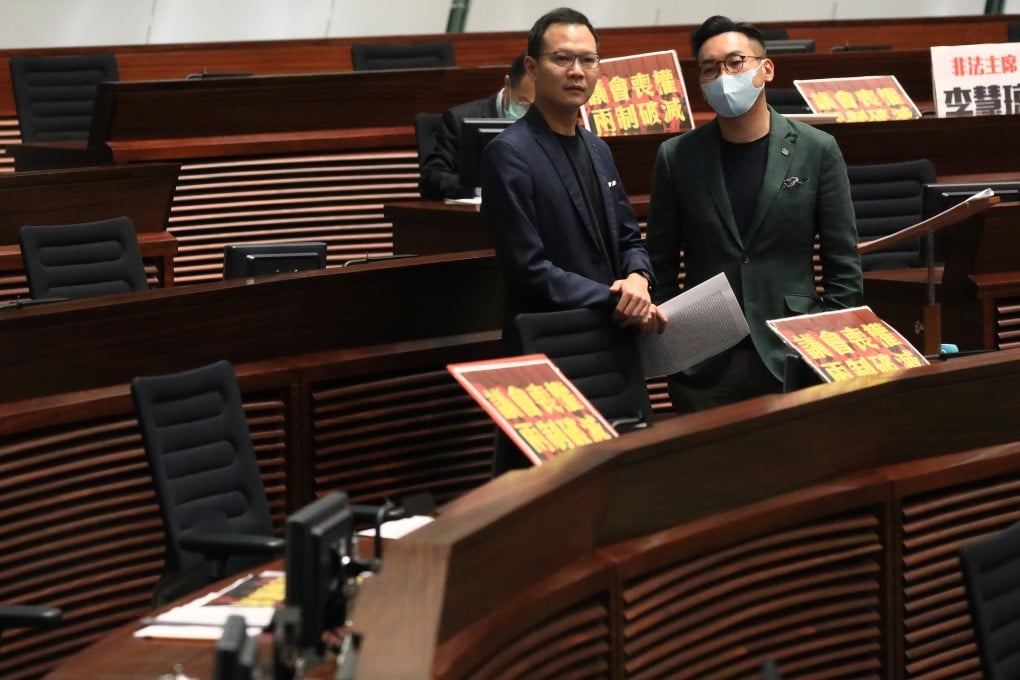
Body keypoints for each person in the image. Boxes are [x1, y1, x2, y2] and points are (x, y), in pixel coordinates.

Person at [645, 14, 862, 413]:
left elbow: (843, 264)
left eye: (735, 63)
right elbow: (658, 262)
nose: (723, 76)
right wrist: (677, 347)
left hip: (793, 352)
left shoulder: (817, 149)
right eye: (709, 69)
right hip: (704, 362)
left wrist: (828, 342)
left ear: (766, 69)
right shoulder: (677, 157)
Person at [482, 7, 666, 354]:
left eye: (588, 60)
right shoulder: (508, 152)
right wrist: (616, 297)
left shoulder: (598, 148)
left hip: (614, 340)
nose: (577, 72)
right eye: (562, 58)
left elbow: (629, 239)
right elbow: (528, 269)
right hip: (553, 340)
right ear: (532, 68)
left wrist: (639, 280)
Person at [418, 53, 534, 200]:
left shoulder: (553, 119)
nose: (530, 112)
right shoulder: (458, 120)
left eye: (537, 106)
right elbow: (432, 180)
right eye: (523, 102)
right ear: (507, 84)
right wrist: (484, 189)